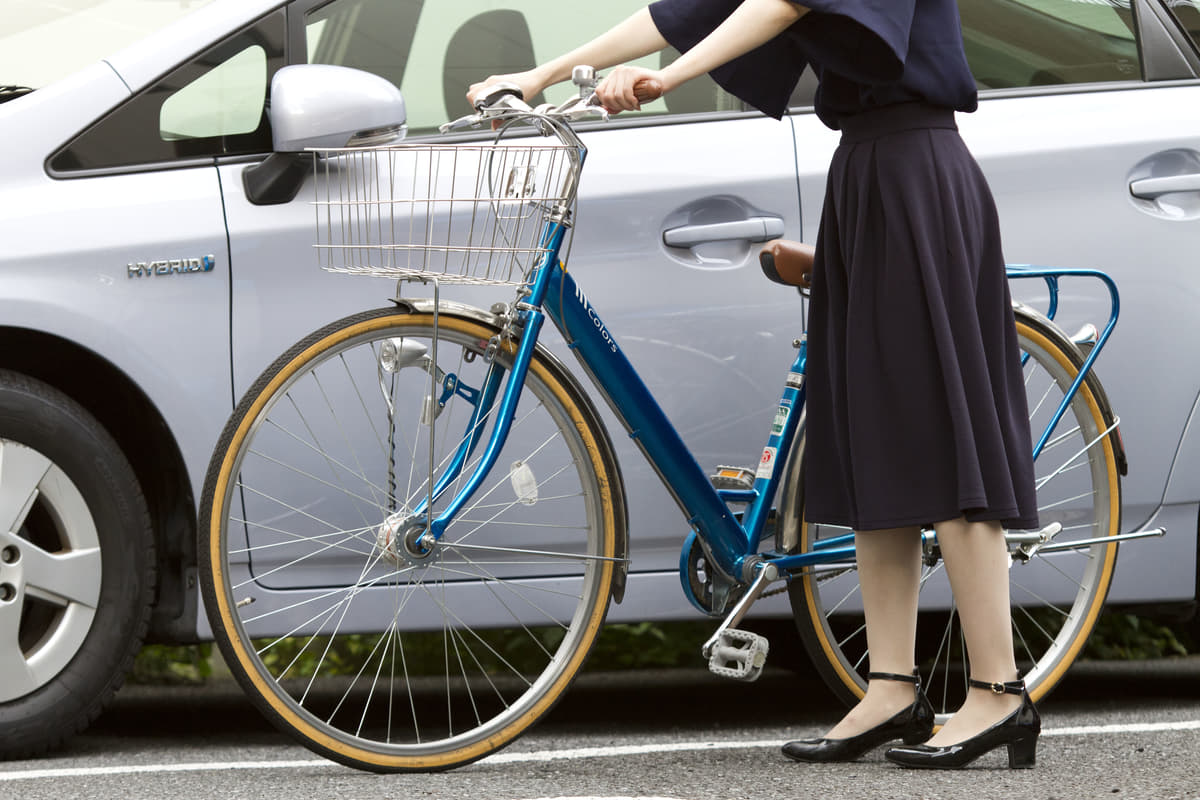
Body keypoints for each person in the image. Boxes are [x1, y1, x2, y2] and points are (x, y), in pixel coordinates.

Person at [468, 0, 1041, 770]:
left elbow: (781, 4)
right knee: (871, 437)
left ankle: (1001, 692)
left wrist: (664, 81)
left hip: (918, 172)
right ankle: (892, 687)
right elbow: (684, 10)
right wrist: (541, 75)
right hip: (868, 171)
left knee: (938, 430)